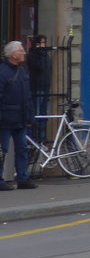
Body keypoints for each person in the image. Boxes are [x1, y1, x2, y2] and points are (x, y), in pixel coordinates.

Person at [0, 40, 37, 189]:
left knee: (22, 149)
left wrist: (29, 116)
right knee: (3, 150)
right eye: (21, 51)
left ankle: (23, 178)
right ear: (13, 55)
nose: (24, 53)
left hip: (20, 118)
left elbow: (27, 96)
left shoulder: (22, 70)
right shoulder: (3, 72)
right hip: (5, 118)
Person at [27, 35, 51, 142]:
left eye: (44, 43)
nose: (42, 45)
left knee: (43, 113)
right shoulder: (32, 55)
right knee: (36, 114)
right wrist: (38, 53)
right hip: (36, 87)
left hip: (45, 87)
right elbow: (37, 67)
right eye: (40, 43)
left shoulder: (46, 55)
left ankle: (42, 136)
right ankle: (34, 137)